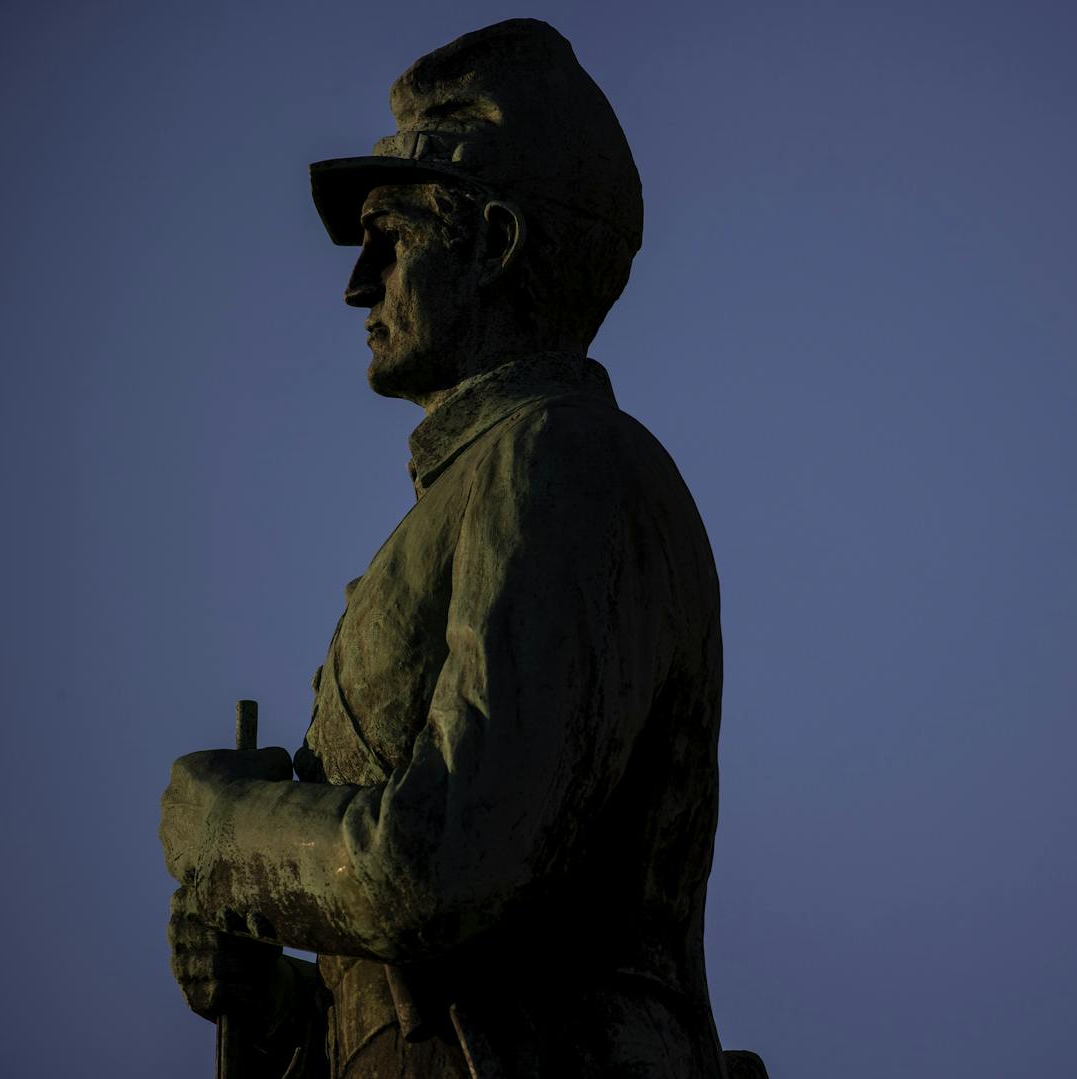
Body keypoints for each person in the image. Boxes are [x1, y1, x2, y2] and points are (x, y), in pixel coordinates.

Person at [159, 19, 764, 1078]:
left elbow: (442, 863)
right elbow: (413, 1002)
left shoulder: (562, 462)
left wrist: (223, 835)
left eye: (388, 232)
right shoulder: (477, 490)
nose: (358, 282)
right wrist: (280, 1003)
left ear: (491, 243)